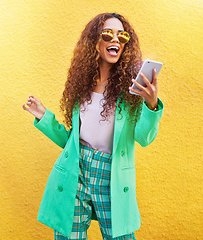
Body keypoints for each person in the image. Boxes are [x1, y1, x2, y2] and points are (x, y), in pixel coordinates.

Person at [23, 12, 163, 240]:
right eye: (108, 34)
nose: (115, 40)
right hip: (75, 172)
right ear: (94, 43)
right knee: (69, 236)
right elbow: (71, 142)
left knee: (120, 236)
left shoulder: (131, 90)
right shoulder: (82, 87)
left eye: (122, 36)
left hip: (112, 174)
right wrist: (43, 116)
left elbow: (145, 138)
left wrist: (151, 104)